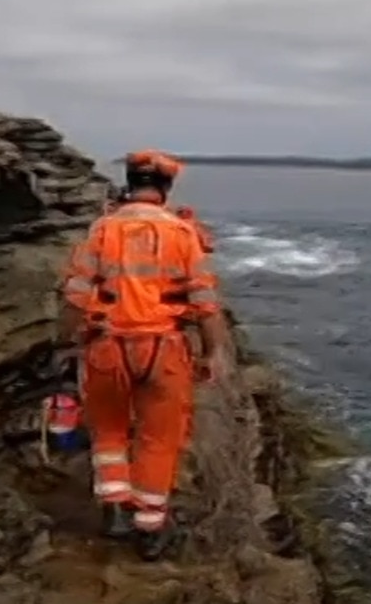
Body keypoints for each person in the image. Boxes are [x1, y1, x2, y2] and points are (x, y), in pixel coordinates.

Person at [54, 149, 230, 561]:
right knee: (158, 439)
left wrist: (64, 344)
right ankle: (150, 528)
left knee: (110, 431)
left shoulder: (102, 229)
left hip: (107, 346)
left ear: (130, 185)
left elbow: (76, 296)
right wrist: (214, 352)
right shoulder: (184, 234)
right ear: (165, 188)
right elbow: (205, 301)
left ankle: (115, 511)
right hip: (164, 350)